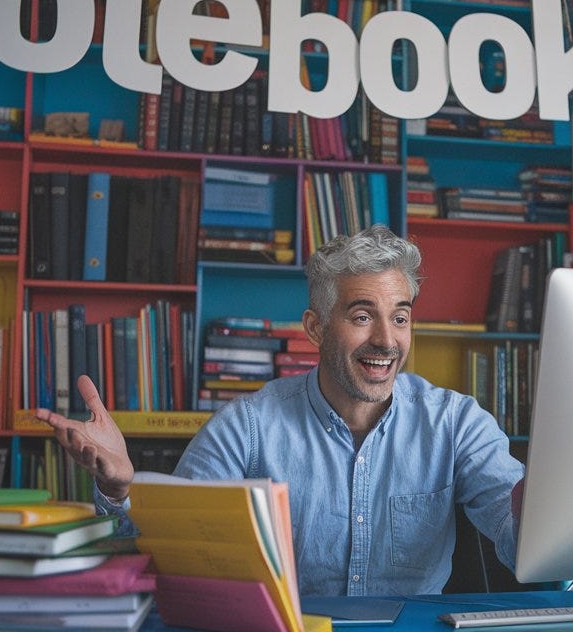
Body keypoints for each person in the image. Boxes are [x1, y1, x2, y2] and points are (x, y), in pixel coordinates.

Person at [35, 225, 525, 596]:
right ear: (315, 328)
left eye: (400, 318)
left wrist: (553, 501)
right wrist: (118, 489)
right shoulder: (247, 428)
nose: (386, 340)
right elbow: (161, 557)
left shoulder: (456, 423)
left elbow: (519, 538)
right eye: (361, 316)